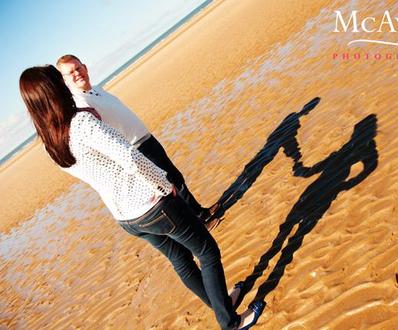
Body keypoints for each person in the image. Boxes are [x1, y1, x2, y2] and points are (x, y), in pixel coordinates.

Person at [19, 65, 265, 329]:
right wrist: (164, 183)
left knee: (181, 261)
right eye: (60, 80)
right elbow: (130, 157)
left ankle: (222, 306)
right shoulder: (81, 124)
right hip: (151, 204)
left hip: (126, 218)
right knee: (206, 251)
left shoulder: (52, 144)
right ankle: (229, 322)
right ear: (55, 90)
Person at [56, 54, 220, 229]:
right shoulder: (80, 103)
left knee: (175, 177)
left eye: (78, 68)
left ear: (85, 67)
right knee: (169, 184)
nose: (77, 73)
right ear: (64, 81)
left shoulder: (97, 89)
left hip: (146, 139)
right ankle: (199, 222)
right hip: (135, 147)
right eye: (70, 73)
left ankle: (200, 212)